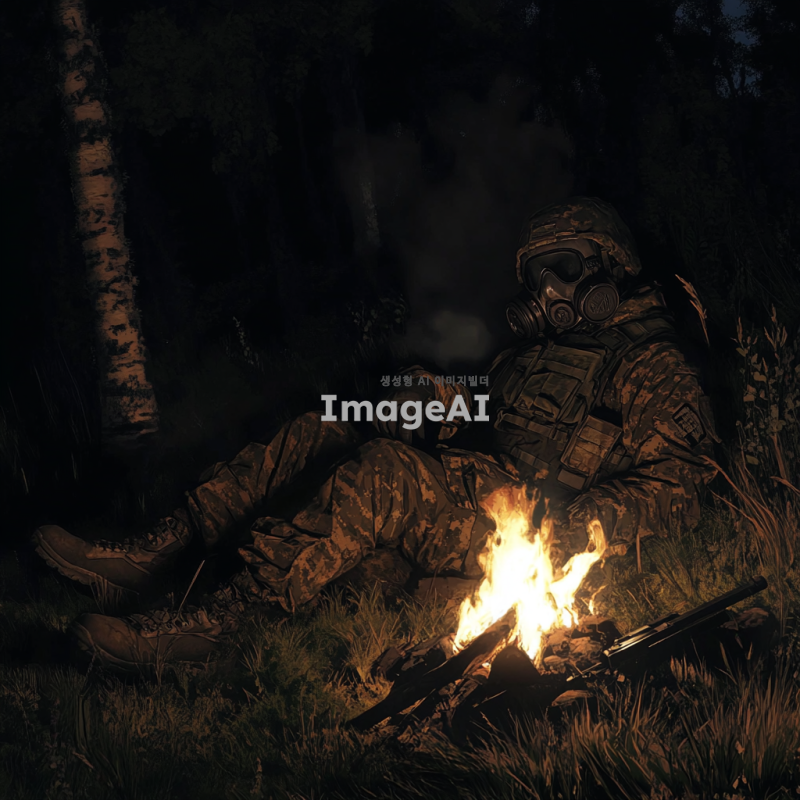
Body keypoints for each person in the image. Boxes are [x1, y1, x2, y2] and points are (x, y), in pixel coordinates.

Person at [32, 197, 719, 673]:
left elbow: (680, 484)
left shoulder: (651, 363)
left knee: (385, 471)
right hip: (475, 495)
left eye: (562, 269)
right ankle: (162, 548)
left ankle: (210, 627)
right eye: (537, 275)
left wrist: (563, 526)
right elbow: (488, 417)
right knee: (328, 426)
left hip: (526, 535)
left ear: (607, 266)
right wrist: (436, 398)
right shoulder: (533, 355)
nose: (547, 290)